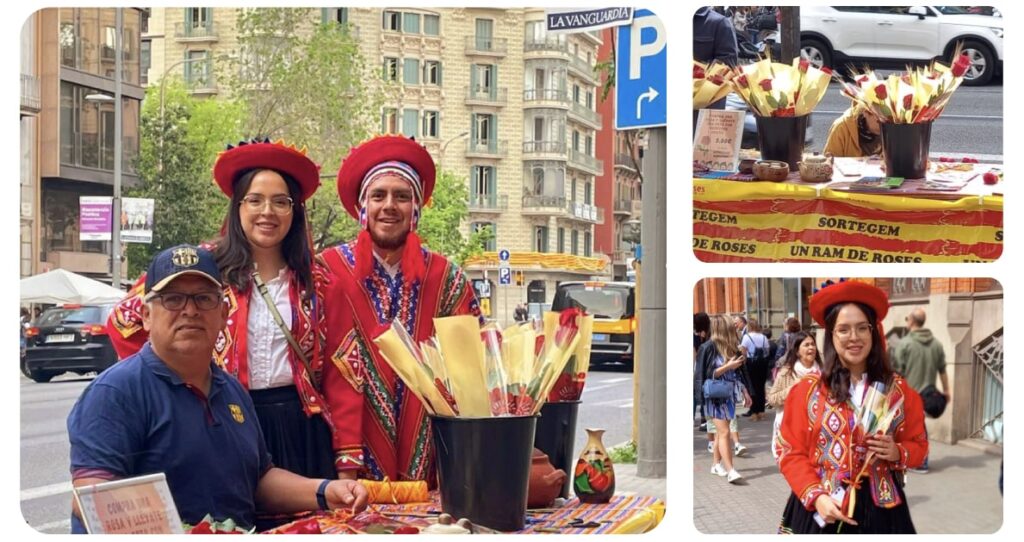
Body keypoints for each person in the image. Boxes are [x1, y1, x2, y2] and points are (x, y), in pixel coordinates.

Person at [69, 245, 368, 533]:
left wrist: (326, 490)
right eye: (173, 299)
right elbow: (93, 498)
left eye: (204, 299)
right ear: (146, 316)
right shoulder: (117, 392)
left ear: (224, 314)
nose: (190, 310)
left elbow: (258, 480)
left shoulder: (232, 391)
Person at [106, 140, 346, 489]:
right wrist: (178, 384)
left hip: (300, 427)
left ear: (295, 212)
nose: (268, 211)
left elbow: (341, 370)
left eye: (281, 202)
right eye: (255, 200)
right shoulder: (203, 267)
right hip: (223, 418)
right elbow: (125, 321)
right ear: (237, 207)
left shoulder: (319, 280)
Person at [318, 134, 482, 484]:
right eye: (378, 195)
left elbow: (473, 372)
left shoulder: (448, 280)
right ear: (363, 207)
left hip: (434, 462)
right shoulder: (326, 272)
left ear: (416, 210)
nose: (389, 205)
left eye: (402, 196)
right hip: (341, 462)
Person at [777, 280, 927, 534]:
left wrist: (897, 452)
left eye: (862, 328)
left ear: (874, 332)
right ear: (831, 336)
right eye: (843, 329)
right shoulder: (808, 391)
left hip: (882, 511)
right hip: (823, 506)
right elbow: (789, 452)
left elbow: (919, 446)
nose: (854, 337)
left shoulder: (897, 390)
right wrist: (817, 497)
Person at [891, 307, 948, 474]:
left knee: (914, 429)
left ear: (911, 321)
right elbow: (942, 369)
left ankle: (921, 462)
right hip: (928, 393)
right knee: (919, 427)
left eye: (907, 318)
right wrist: (946, 391)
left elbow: (897, 371)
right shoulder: (936, 344)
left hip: (909, 394)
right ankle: (919, 460)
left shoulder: (905, 343)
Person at [696, 314, 751, 483]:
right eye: (731, 327)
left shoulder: (731, 348)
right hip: (714, 396)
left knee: (721, 432)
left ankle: (715, 464)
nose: (734, 329)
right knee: (725, 431)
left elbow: (738, 374)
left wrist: (745, 391)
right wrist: (727, 366)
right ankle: (730, 470)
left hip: (728, 395)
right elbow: (703, 375)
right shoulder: (708, 347)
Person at [767, 331, 822, 461]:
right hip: (792, 428)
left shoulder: (823, 371)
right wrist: (795, 387)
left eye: (813, 344)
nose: (811, 348)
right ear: (797, 351)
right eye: (806, 345)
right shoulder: (788, 372)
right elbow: (772, 398)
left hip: (817, 429)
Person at [740, 317, 772, 421]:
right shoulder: (763, 337)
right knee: (760, 388)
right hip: (762, 364)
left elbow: (743, 351)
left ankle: (754, 413)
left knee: (752, 388)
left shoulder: (746, 336)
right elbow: (767, 350)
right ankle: (762, 412)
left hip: (751, 363)